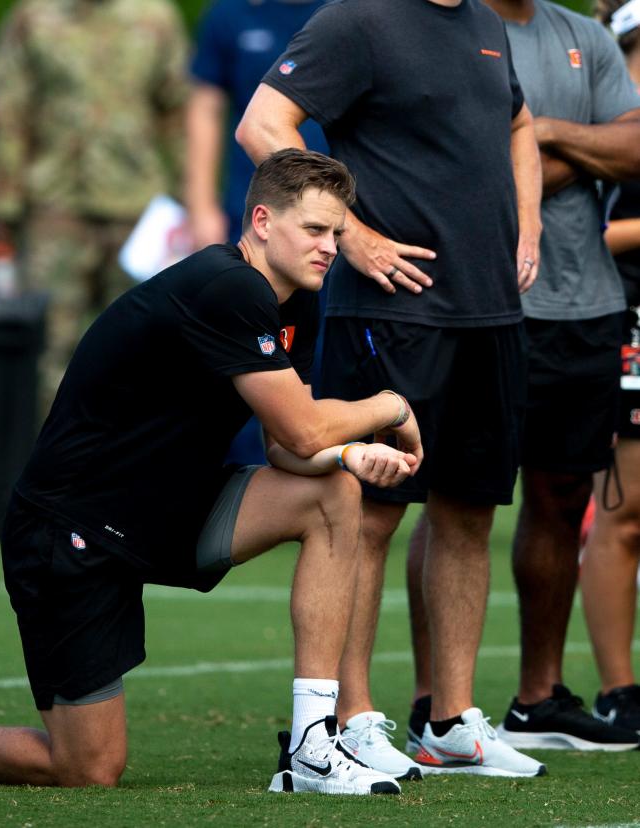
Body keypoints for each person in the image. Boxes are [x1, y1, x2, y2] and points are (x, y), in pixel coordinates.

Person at [0, 149, 424, 795]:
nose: (330, 247)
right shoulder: (228, 285)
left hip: (169, 510)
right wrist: (388, 407)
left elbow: (288, 446)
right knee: (87, 769)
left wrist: (348, 455)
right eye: (315, 229)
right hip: (71, 531)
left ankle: (312, 742)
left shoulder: (292, 299)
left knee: (331, 494)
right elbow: (304, 428)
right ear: (263, 221)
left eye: (337, 232)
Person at [237, 0, 547, 778]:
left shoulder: (485, 24)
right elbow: (263, 125)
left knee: (469, 512)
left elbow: (518, 125)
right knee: (367, 518)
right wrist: (352, 234)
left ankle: (451, 722)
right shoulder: (359, 19)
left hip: (489, 312)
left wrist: (530, 223)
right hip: (389, 311)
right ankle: (352, 719)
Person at [443, 0, 640, 753]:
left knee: (561, 499)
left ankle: (538, 698)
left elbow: (638, 149)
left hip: (585, 305)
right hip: (483, 302)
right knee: (458, 503)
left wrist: (539, 133)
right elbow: (472, 172)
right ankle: (441, 704)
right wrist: (582, 147)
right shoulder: (448, 28)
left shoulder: (583, 36)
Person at [0, 0, 190, 410]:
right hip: (54, 210)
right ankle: (55, 468)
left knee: (144, 348)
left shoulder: (155, 17)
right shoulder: (33, 16)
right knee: (48, 350)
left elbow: (179, 111)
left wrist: (192, 203)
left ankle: (127, 466)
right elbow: (7, 110)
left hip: (138, 211)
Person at [184, 0, 329, 467]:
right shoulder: (230, 14)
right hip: (249, 213)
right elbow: (205, 105)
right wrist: (200, 204)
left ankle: (312, 460)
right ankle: (237, 473)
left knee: (315, 348)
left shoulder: (349, 11)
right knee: (245, 345)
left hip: (336, 216)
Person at [579, 0, 640, 733]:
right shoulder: (604, 117)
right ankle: (621, 689)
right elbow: (588, 230)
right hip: (626, 314)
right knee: (624, 516)